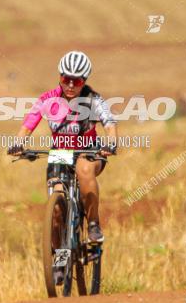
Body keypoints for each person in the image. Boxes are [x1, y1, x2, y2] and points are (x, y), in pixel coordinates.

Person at [7, 51, 118, 243]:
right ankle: (58, 262)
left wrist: (112, 142)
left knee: (84, 170)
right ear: (60, 76)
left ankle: (93, 224)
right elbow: (29, 124)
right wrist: (18, 142)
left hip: (88, 149)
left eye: (77, 81)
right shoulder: (47, 99)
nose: (71, 85)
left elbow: (109, 124)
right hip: (60, 152)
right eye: (66, 79)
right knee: (56, 209)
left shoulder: (94, 99)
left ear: (84, 80)